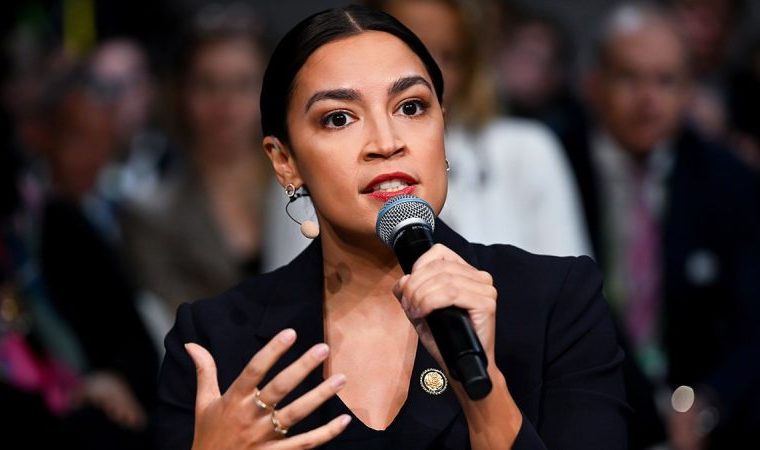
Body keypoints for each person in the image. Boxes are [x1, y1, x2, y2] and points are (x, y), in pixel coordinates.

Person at [155, 5, 626, 449]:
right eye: (339, 118)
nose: (386, 142)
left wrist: (484, 395)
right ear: (285, 162)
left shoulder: (556, 301)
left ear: (443, 127)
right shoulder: (216, 340)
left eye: (411, 107)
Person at [558, 3, 760, 449]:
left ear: (689, 91)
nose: (648, 99)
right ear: (593, 84)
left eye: (665, 81)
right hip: (583, 410)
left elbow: (752, 319)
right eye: (629, 78)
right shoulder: (555, 164)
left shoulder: (728, 180)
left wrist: (706, 404)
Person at [263, 0, 591, 271]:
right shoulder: (311, 168)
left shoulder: (526, 149)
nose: (386, 145)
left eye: (449, 55)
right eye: (339, 119)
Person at [121, 5, 270, 318]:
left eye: (243, 84)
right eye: (207, 85)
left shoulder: (310, 188)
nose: (225, 103)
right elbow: (177, 318)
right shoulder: (151, 214)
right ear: (180, 94)